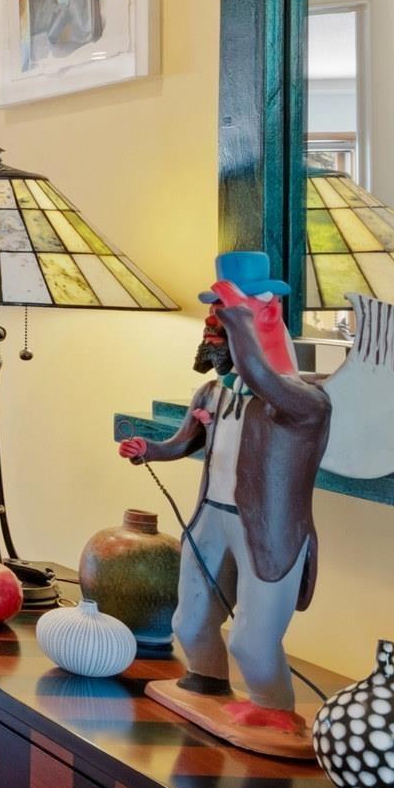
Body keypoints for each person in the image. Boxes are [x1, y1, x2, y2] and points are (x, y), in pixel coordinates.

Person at [118, 251, 324, 731]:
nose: (215, 327)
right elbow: (182, 442)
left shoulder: (302, 404)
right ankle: (205, 681)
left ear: (264, 317)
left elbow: (265, 379)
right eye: (216, 316)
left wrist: (240, 321)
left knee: (252, 639)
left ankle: (273, 707)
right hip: (210, 515)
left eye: (227, 317)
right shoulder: (213, 394)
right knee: (188, 623)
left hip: (267, 530)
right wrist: (149, 448)